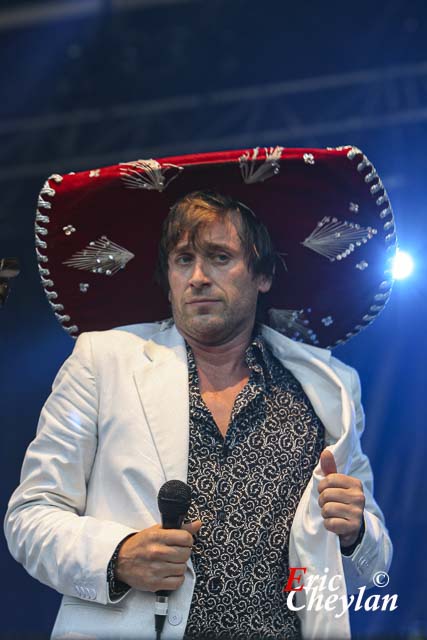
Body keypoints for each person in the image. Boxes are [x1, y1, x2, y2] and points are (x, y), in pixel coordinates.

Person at [5, 147, 394, 640]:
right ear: (166, 279)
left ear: (263, 275)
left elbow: (372, 563)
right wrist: (117, 555)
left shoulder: (327, 385)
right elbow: (30, 515)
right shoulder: (102, 362)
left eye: (220, 257)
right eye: (183, 259)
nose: (198, 277)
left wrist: (357, 531)